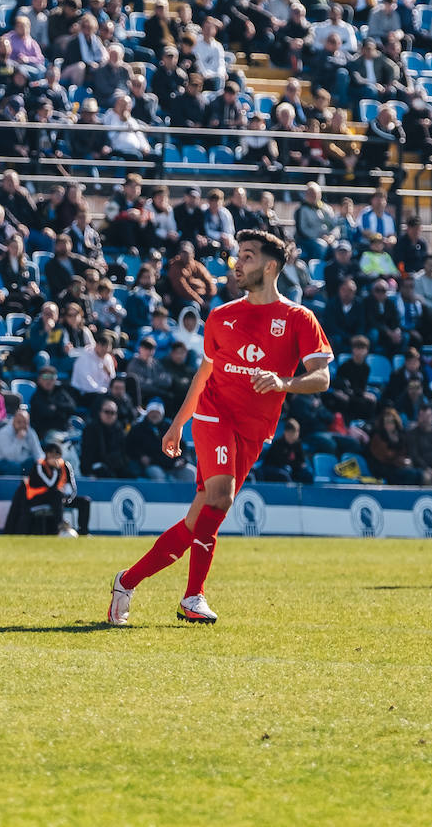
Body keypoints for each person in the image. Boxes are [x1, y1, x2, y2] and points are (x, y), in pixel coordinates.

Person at [108, 230, 333, 627]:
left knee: (198, 520)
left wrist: (283, 383)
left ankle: (126, 582)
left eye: (247, 256)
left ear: (270, 266)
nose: (237, 264)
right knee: (221, 496)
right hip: (214, 416)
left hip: (254, 429)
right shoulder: (221, 315)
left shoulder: (299, 318)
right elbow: (204, 375)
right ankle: (193, 596)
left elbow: (322, 378)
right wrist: (178, 424)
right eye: (237, 255)